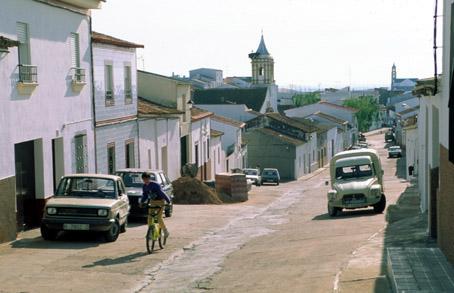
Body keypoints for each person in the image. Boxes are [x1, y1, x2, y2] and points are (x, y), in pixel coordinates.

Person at [139, 172, 171, 239]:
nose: (145, 181)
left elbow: (162, 193)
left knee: (159, 217)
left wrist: (168, 202)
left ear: (149, 178)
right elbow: (145, 195)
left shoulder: (155, 185)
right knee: (150, 217)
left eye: (146, 179)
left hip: (160, 201)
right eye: (144, 179)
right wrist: (141, 202)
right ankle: (151, 231)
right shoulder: (144, 186)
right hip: (152, 202)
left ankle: (165, 231)